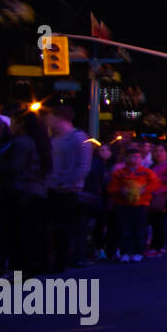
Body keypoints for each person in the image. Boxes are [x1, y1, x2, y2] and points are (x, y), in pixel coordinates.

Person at [0, 108, 51, 275]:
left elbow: (14, 168)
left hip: (20, 193)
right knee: (28, 233)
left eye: (13, 121)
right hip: (33, 192)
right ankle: (27, 268)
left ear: (21, 123)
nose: (10, 125)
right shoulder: (37, 142)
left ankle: (19, 269)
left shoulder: (21, 142)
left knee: (18, 234)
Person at [45, 104, 93, 271]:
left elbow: (83, 166)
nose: (47, 120)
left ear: (59, 117)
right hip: (52, 188)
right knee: (54, 227)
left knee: (64, 227)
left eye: (50, 116)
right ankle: (54, 260)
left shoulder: (79, 139)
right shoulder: (53, 139)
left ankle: (62, 261)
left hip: (68, 191)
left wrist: (66, 183)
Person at [106, 145, 162, 262]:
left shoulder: (146, 172)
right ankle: (125, 252)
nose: (135, 160)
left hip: (141, 203)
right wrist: (121, 190)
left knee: (139, 228)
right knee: (123, 228)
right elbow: (111, 188)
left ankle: (139, 251)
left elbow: (155, 184)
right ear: (126, 158)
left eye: (138, 157)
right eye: (133, 157)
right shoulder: (119, 173)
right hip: (122, 203)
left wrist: (144, 189)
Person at [145, 144, 167, 257]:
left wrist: (157, 178)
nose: (158, 153)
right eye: (156, 151)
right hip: (151, 197)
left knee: (161, 222)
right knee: (153, 222)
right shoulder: (152, 166)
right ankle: (153, 244)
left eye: (161, 150)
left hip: (164, 196)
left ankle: (160, 245)